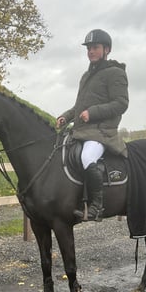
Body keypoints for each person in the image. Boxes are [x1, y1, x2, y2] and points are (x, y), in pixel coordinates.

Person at [56, 29, 129, 221]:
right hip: (81, 131)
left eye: (95, 47)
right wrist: (66, 116)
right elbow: (79, 106)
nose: (90, 51)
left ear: (107, 49)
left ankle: (97, 206)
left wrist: (93, 112)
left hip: (102, 133)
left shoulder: (115, 73)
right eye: (88, 48)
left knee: (88, 157)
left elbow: (122, 103)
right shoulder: (86, 76)